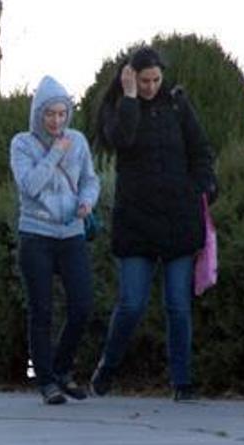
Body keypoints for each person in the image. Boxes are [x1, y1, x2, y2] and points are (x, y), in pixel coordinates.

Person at [90, 46, 217, 401]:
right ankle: (108, 366)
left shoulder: (178, 105)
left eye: (155, 80)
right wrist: (129, 97)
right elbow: (121, 140)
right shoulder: (119, 107)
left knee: (178, 304)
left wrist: (201, 186)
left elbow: (201, 150)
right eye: (143, 80)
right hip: (136, 221)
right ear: (131, 76)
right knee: (131, 303)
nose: (150, 86)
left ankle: (182, 381)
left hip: (179, 218)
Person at [9, 75, 100, 405]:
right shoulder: (22, 143)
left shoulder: (78, 140)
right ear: (38, 114)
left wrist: (88, 200)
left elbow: (90, 180)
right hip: (36, 234)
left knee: (83, 305)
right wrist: (54, 155)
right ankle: (44, 379)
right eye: (50, 114)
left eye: (62, 114)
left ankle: (61, 369)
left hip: (71, 232)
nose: (57, 121)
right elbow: (30, 185)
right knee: (41, 310)